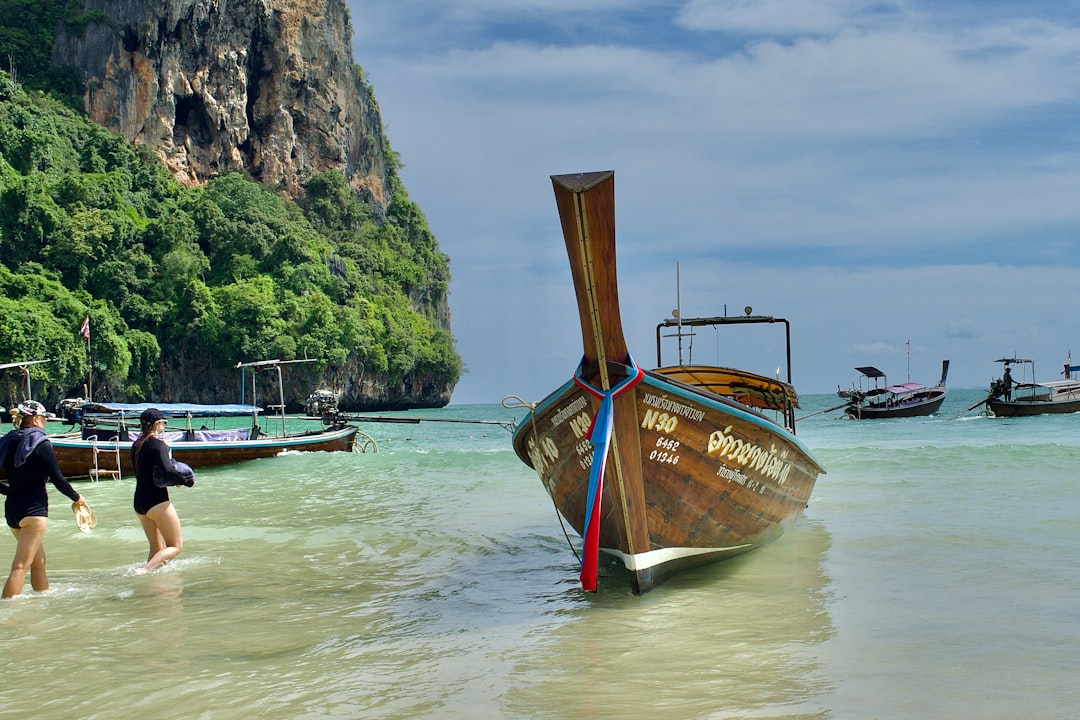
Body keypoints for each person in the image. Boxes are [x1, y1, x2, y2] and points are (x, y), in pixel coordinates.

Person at [0, 400, 89, 599]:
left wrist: (10, 492)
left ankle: (42, 601)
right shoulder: (41, 443)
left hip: (12, 511)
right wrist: (77, 498)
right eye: (43, 418)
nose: (45, 423)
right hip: (34, 511)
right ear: (34, 419)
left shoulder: (7, 440)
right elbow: (58, 479)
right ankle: (6, 612)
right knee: (20, 566)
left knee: (38, 561)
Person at [131, 407, 191, 574]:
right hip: (156, 500)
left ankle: (153, 585)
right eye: (163, 422)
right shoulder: (158, 445)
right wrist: (185, 481)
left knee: (157, 548)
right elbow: (167, 471)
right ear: (157, 424)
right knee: (176, 546)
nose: (164, 425)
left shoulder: (136, 445)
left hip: (139, 502)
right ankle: (143, 571)